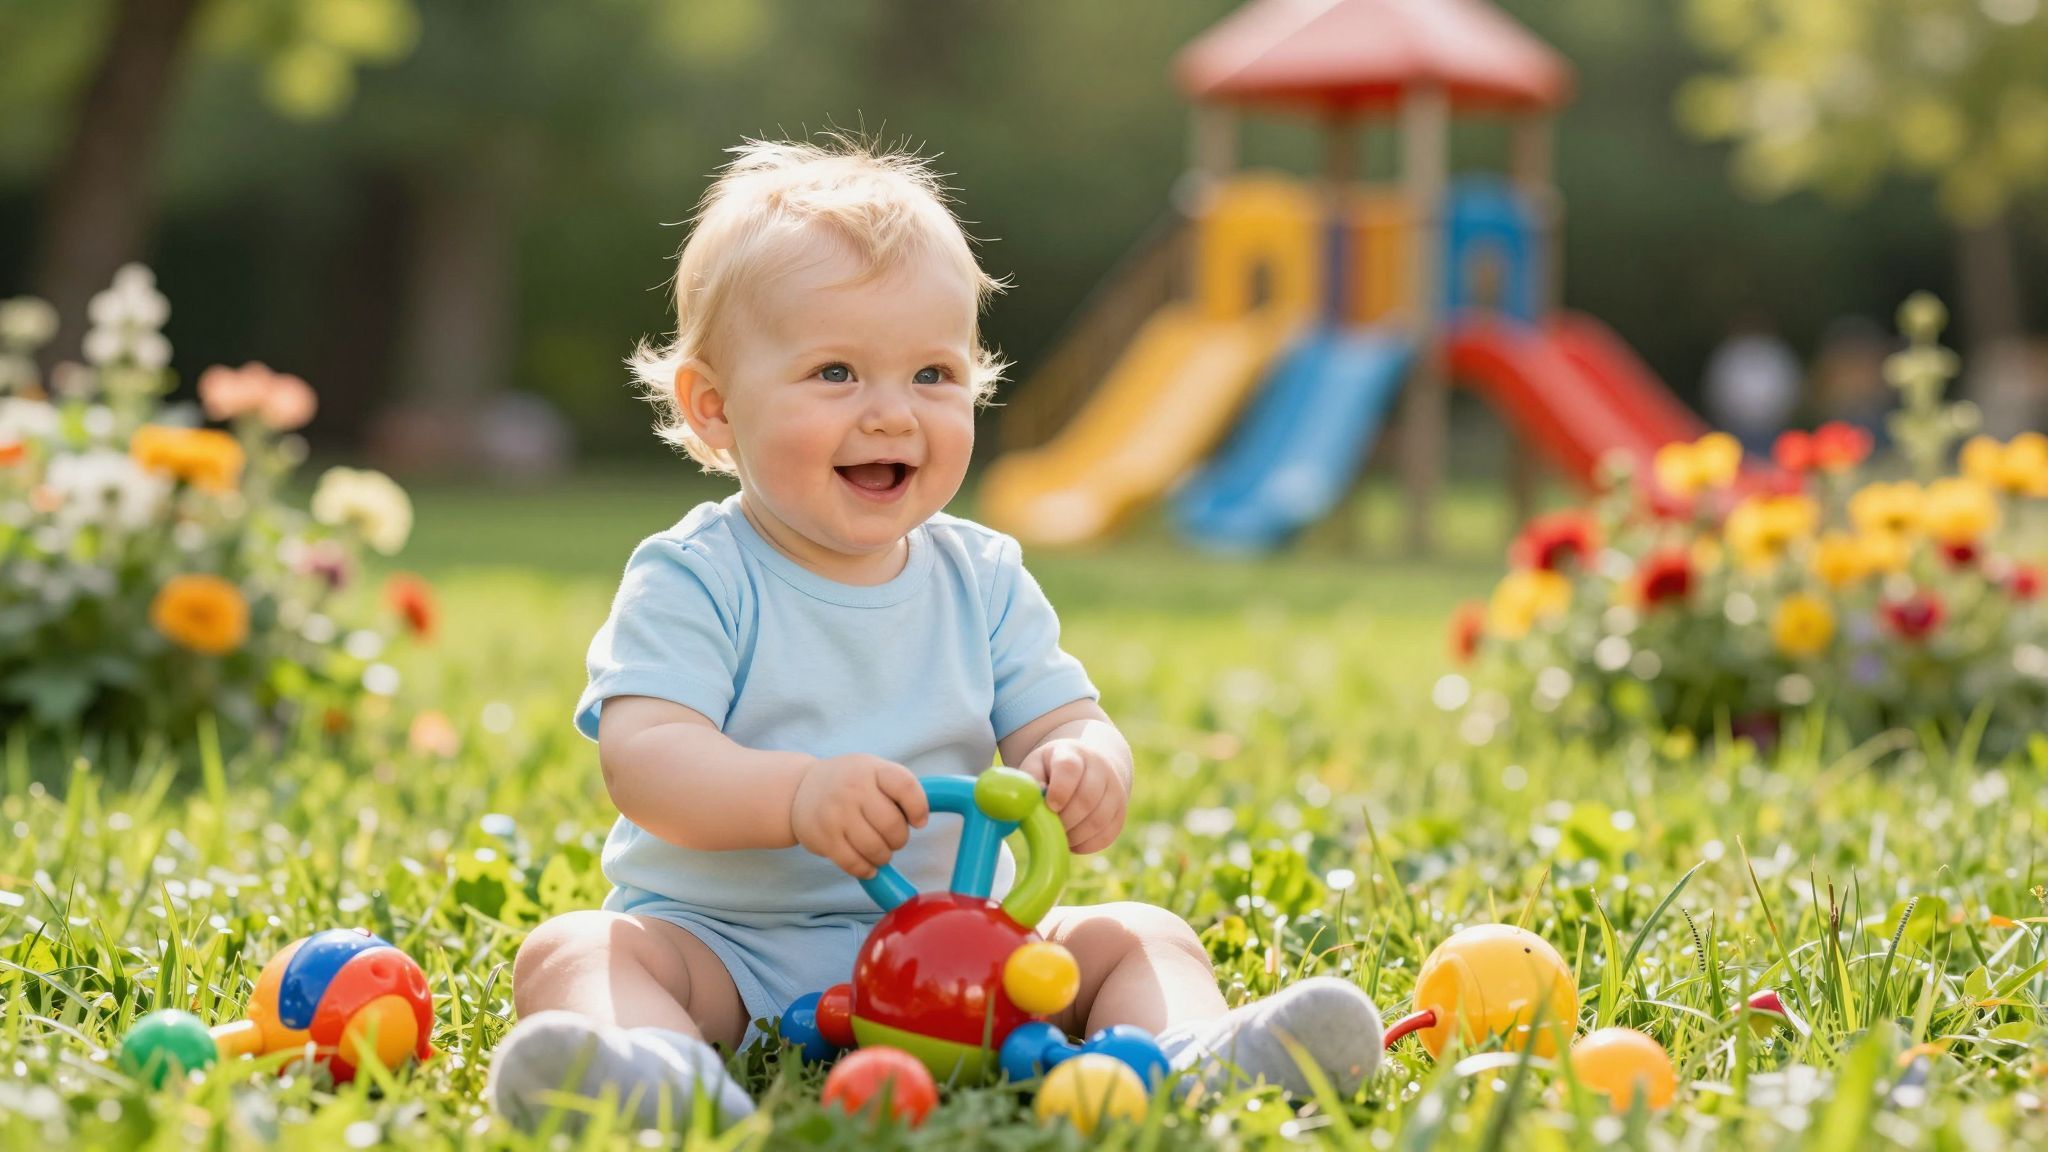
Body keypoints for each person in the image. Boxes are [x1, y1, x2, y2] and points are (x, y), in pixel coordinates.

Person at [484, 136, 1384, 1131]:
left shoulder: (982, 577)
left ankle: (1195, 1054)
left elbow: (1064, 719)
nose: (891, 414)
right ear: (714, 408)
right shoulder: (696, 574)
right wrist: (796, 795)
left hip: (965, 958)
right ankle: (659, 1072)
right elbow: (646, 761)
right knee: (575, 952)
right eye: (835, 372)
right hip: (731, 950)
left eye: (931, 373)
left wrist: (1085, 762)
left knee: (1139, 933)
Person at [1702, 312, 1803, 455]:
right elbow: (1716, 391)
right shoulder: (1729, 354)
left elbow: (1791, 389)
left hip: (1772, 429)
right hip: (1736, 428)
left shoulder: (1777, 353)